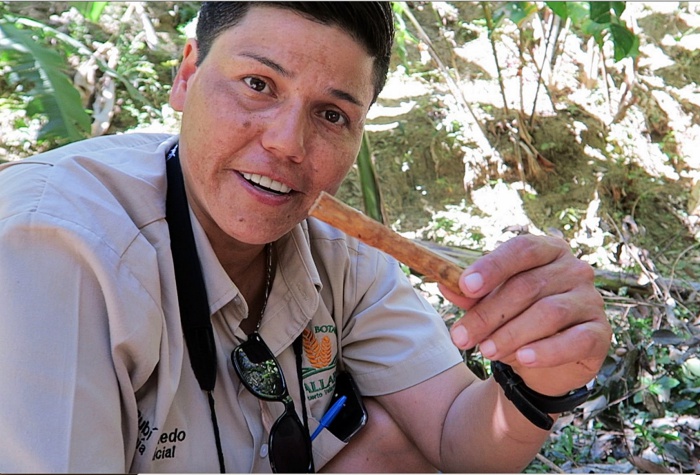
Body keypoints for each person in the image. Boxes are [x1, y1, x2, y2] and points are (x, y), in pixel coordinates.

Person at [0, 2, 611, 473]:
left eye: (332, 114)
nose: (288, 144)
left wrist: (541, 383)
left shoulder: (339, 250)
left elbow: (458, 434)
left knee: (386, 445)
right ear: (187, 77)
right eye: (258, 84)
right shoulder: (58, 246)